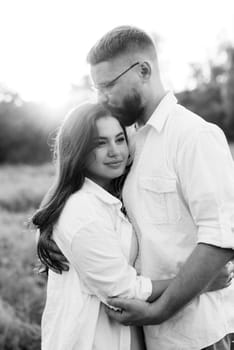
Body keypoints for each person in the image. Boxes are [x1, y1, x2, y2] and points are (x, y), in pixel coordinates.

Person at [84, 26, 234, 350]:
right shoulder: (128, 144)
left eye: (108, 85)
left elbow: (221, 239)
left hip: (199, 335)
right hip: (147, 337)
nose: (102, 98)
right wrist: (55, 233)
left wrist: (157, 311)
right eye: (96, 88)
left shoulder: (194, 136)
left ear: (144, 70)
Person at [32, 102, 179, 350]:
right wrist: (201, 282)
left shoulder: (117, 196)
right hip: (91, 340)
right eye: (100, 143)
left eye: (119, 139)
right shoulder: (82, 210)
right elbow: (124, 291)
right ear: (77, 150)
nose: (115, 152)